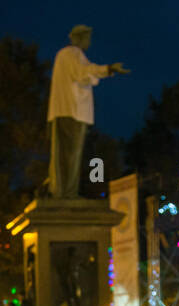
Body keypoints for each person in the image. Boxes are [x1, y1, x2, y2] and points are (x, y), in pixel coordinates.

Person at [46, 25, 128, 199]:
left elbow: (84, 73)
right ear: (80, 38)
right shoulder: (72, 53)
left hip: (63, 112)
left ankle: (61, 191)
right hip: (72, 112)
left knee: (64, 154)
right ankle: (67, 193)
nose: (89, 42)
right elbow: (83, 72)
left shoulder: (64, 55)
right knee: (71, 155)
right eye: (88, 38)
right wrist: (108, 69)